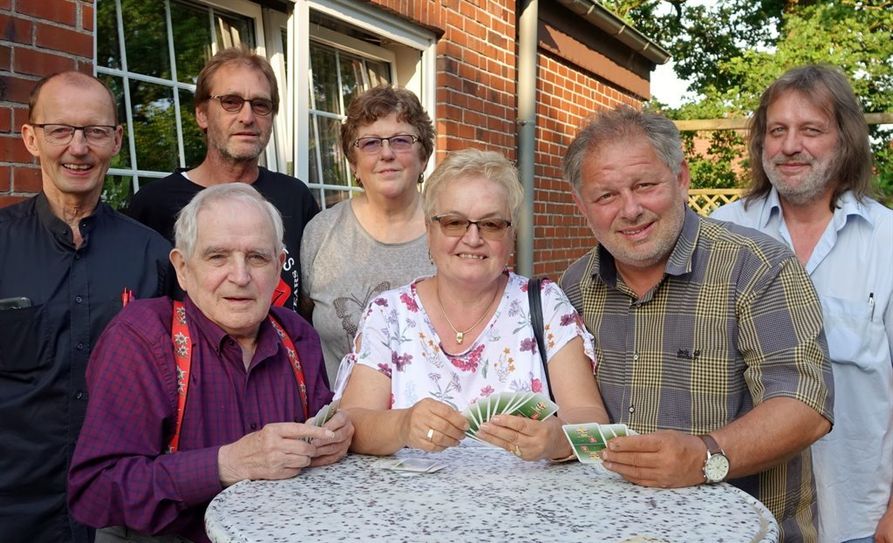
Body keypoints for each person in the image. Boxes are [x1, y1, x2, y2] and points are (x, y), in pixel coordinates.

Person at [559, 106, 833, 542]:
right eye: (606, 195)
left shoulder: (758, 267)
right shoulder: (574, 287)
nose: (630, 210)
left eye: (645, 185)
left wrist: (705, 455)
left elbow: (806, 406)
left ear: (681, 179)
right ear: (581, 205)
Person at [68, 184, 353, 543]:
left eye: (257, 258)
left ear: (280, 267)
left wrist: (336, 439)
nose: (240, 276)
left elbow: (318, 452)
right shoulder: (143, 339)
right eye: (218, 256)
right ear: (183, 269)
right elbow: (95, 489)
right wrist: (226, 464)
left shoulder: (296, 336)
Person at [711, 64, 893, 543]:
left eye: (811, 129)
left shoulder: (888, 241)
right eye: (778, 130)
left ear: (845, 140)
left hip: (856, 517)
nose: (791, 146)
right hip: (744, 514)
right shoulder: (721, 233)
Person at [339, 149, 609, 460]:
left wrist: (557, 440)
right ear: (429, 230)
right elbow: (353, 424)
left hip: (523, 505)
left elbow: (593, 420)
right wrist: (402, 424)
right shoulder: (389, 314)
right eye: (454, 222)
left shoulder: (546, 305)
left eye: (491, 224)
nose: (473, 238)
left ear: (511, 236)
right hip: (410, 505)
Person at [0, 72, 173, 543]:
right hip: (12, 510)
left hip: (120, 515)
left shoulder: (155, 256)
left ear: (116, 141)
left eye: (95, 131)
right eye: (60, 130)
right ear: (31, 139)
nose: (78, 148)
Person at [128, 46, 318, 313]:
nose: (247, 117)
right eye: (231, 102)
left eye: (261, 105)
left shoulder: (295, 197)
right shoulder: (154, 205)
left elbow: (312, 303)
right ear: (202, 114)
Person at [301, 86, 436, 381]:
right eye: (371, 143)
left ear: (423, 157)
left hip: (433, 419)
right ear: (354, 164)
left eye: (401, 141)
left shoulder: (452, 231)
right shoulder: (321, 233)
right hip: (339, 419)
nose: (386, 153)